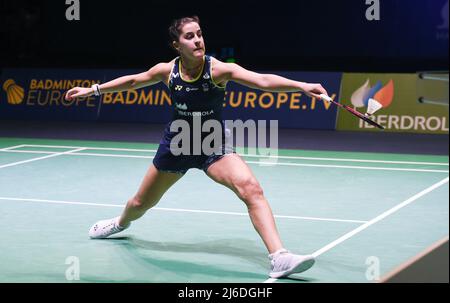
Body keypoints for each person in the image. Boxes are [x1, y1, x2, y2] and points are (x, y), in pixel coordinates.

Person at [65, 16, 328, 279]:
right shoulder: (167, 71)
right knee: (140, 202)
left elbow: (262, 81)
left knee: (251, 188)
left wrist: (302, 86)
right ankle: (119, 223)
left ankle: (279, 257)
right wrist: (93, 90)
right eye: (189, 36)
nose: (197, 40)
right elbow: (134, 81)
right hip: (177, 144)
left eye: (199, 34)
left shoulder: (218, 70)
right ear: (176, 45)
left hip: (212, 144)